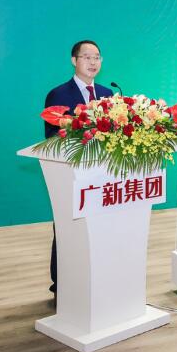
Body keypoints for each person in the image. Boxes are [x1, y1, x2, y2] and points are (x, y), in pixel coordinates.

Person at [43, 40, 113, 298]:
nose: (93, 62)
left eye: (97, 57)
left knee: (99, 230)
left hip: (102, 175)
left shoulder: (108, 94)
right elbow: (52, 135)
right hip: (71, 175)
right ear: (74, 61)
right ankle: (61, 286)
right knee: (68, 230)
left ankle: (96, 280)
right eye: (87, 57)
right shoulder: (58, 94)